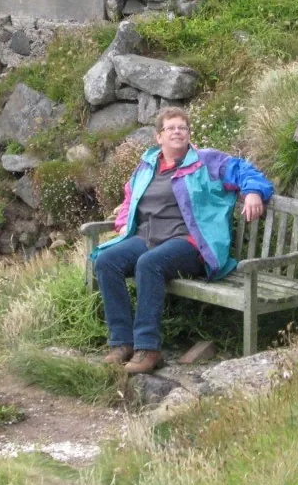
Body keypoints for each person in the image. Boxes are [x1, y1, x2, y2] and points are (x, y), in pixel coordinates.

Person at [92, 106, 274, 374]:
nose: (178, 132)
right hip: (147, 236)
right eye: (171, 128)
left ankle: (148, 349)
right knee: (107, 261)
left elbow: (245, 171)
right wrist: (122, 223)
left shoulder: (206, 161)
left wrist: (253, 193)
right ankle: (122, 343)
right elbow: (130, 197)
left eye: (183, 127)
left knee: (148, 264)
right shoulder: (147, 166)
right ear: (159, 137)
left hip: (188, 242)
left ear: (189, 133)